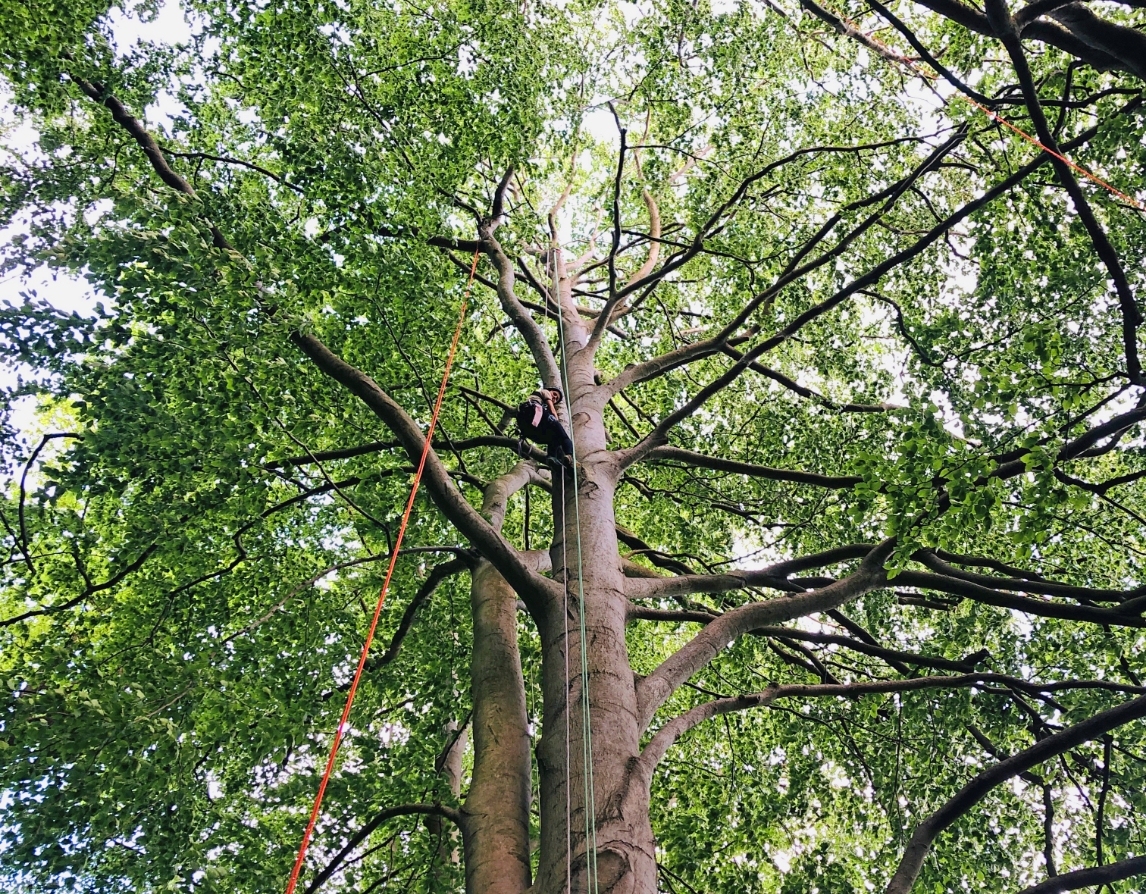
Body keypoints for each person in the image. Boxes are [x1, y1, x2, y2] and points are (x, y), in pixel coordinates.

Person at [516, 386, 575, 471]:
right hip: (534, 413)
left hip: (529, 427)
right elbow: (552, 409)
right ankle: (569, 455)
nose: (554, 397)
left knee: (553, 437)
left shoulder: (535, 400)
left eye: (556, 398)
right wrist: (556, 420)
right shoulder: (545, 392)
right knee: (563, 436)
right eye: (554, 394)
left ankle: (551, 457)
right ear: (549, 391)